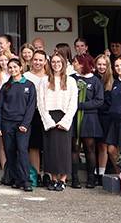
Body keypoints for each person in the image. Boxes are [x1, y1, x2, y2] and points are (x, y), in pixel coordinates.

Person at [0, 58, 37, 191]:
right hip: (7, 123)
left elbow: (31, 107)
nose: (13, 70)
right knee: (10, 151)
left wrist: (25, 123)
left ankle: (26, 181)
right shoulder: (6, 86)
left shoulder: (29, 85)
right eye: (10, 67)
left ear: (20, 68)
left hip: (22, 125)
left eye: (15, 67)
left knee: (23, 150)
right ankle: (15, 178)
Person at [37, 54, 77, 191]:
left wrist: (65, 121)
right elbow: (40, 102)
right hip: (49, 117)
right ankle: (53, 179)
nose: (56, 64)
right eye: (53, 62)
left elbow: (73, 103)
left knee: (64, 150)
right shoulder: (44, 81)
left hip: (64, 116)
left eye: (59, 61)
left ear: (63, 63)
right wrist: (48, 121)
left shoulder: (71, 81)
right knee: (51, 150)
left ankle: (63, 180)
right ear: (49, 64)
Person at [71, 53, 103, 188]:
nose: (73, 64)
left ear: (82, 64)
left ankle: (91, 178)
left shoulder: (95, 80)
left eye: (75, 62)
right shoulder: (71, 79)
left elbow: (99, 100)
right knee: (75, 147)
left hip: (89, 117)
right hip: (74, 117)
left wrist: (82, 105)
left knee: (89, 148)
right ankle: (74, 178)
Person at [26, 50, 49, 187]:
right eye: (35, 60)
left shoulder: (50, 76)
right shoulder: (26, 76)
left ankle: (47, 173)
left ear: (45, 61)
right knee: (33, 145)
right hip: (32, 114)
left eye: (41, 60)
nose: (38, 62)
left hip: (47, 114)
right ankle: (36, 174)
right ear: (31, 61)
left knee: (47, 145)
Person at [94, 54, 115, 184]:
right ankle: (94, 172)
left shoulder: (113, 80)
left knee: (103, 146)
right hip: (94, 115)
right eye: (99, 64)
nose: (101, 67)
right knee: (92, 146)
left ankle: (101, 174)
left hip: (106, 117)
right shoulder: (93, 78)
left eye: (104, 64)